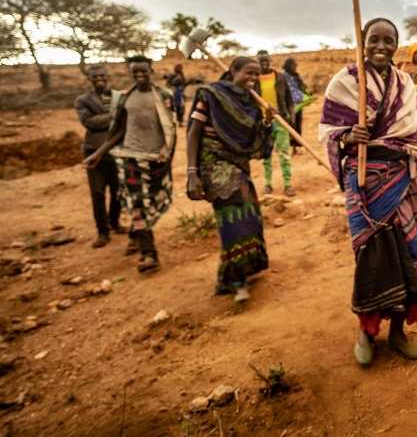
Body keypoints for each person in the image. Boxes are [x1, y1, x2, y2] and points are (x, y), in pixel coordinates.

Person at [319, 18, 417, 366]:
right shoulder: (345, 83)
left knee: (409, 256)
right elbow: (328, 130)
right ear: (362, 41)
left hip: (401, 182)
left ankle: (399, 331)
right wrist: (346, 137)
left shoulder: (404, 84)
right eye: (374, 39)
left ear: (397, 44)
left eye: (389, 40)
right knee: (371, 258)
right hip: (364, 186)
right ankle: (367, 332)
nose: (381, 46)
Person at [186, 56, 272, 304]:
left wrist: (266, 120)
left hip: (236, 164)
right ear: (233, 71)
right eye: (248, 73)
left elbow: (254, 141)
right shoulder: (211, 95)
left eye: (257, 75)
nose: (253, 79)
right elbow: (193, 133)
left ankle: (232, 275)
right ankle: (237, 282)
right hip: (212, 162)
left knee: (249, 214)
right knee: (233, 214)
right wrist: (192, 173)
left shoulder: (249, 102)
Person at [84, 56, 176, 273]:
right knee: (137, 205)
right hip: (131, 158)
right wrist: (98, 153)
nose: (139, 75)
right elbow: (119, 131)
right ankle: (148, 253)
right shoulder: (126, 98)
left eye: (143, 71)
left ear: (151, 70)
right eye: (134, 72)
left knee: (154, 202)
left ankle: (136, 235)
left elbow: (171, 130)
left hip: (156, 160)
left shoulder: (164, 96)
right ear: (130, 73)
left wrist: (167, 155)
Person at [74, 64, 124, 247]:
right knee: (98, 194)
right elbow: (89, 122)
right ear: (89, 79)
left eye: (102, 76)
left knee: (118, 191)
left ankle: (115, 223)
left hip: (118, 151)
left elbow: (125, 120)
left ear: (108, 76)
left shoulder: (119, 97)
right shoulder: (82, 100)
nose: (99, 79)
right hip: (93, 152)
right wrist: (113, 116)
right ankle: (102, 233)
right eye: (95, 77)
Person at [255, 50, 295, 196]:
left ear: (271, 61)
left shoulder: (280, 78)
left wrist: (290, 117)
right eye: (261, 62)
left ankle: (288, 184)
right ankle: (268, 184)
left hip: (280, 120)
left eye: (266, 61)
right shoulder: (254, 80)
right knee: (266, 155)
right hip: (264, 123)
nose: (264, 64)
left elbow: (289, 100)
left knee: (284, 153)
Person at [282, 58, 312, 156]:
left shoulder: (296, 76)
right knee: (291, 126)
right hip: (289, 106)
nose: (295, 67)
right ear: (288, 66)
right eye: (293, 65)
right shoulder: (283, 77)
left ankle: (296, 148)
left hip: (299, 104)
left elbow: (302, 88)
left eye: (296, 66)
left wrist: (307, 95)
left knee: (297, 125)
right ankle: (289, 149)